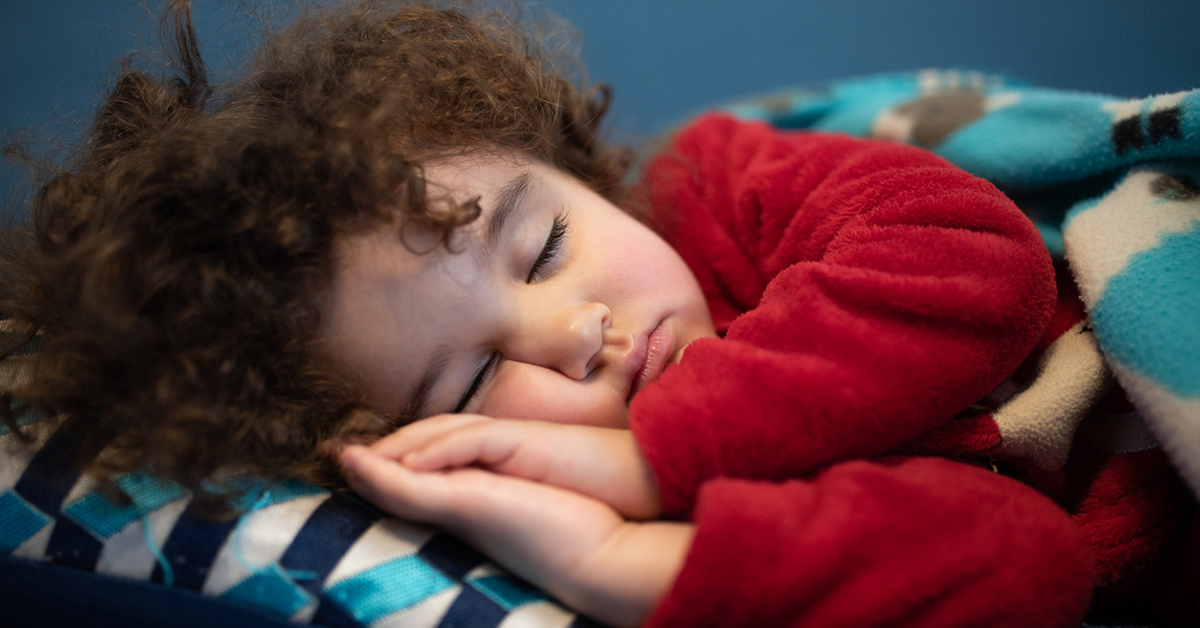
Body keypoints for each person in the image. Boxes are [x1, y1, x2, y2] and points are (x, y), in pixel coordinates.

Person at [0, 0, 1134, 626]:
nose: (569, 329)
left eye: (543, 246)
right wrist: (608, 558)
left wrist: (657, 459)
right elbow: (1020, 566)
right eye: (474, 383)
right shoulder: (658, 516)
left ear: (572, 170)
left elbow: (972, 259)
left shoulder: (714, 185)